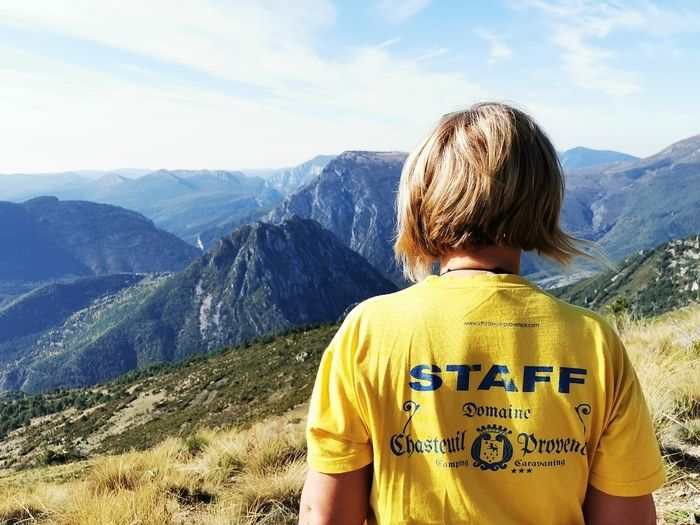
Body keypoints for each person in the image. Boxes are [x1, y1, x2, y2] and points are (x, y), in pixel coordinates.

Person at [298, 102, 665, 524]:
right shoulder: (594, 343)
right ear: (543, 201)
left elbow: (326, 515)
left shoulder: (367, 332)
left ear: (422, 202)